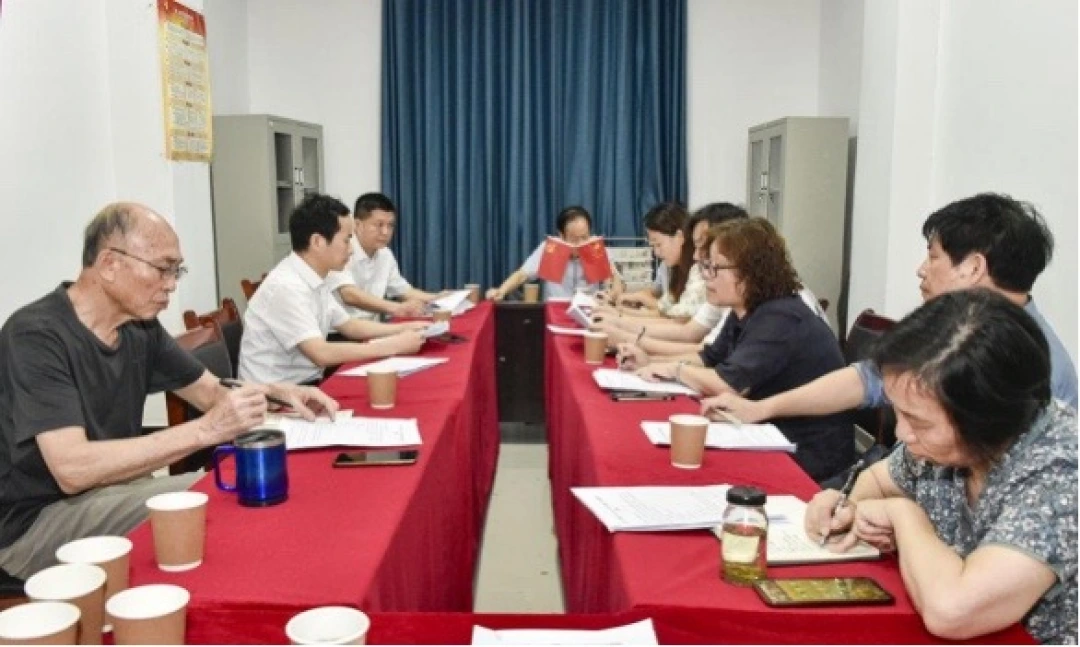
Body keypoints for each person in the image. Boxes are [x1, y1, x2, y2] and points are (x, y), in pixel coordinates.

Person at [0, 202, 338, 580]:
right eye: (163, 268)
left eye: (177, 270)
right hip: (35, 521)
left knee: (242, 485)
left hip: (112, 488)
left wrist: (277, 393)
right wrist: (207, 430)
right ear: (110, 264)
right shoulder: (37, 335)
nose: (172, 284)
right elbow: (72, 469)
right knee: (217, 499)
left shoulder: (139, 327)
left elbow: (210, 393)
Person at [805, 289, 1076, 643]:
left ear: (983, 418)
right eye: (899, 413)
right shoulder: (943, 444)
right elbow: (880, 480)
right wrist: (847, 505)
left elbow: (952, 611)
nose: (902, 434)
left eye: (918, 422)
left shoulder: (1062, 472)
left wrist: (904, 516)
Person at [702, 193, 1078, 424]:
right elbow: (866, 380)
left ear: (972, 267)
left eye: (933, 257)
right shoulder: (949, 326)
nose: (921, 269)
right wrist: (763, 408)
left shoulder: (1036, 367)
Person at [633, 218, 853, 482]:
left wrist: (674, 369)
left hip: (806, 454)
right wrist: (651, 362)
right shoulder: (746, 309)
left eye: (715, 268)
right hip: (768, 433)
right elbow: (708, 358)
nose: (706, 276)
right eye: (706, 266)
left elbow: (728, 384)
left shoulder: (780, 317)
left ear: (750, 272)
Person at [239, 194, 426, 385]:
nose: (351, 250)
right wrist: (392, 346)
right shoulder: (287, 286)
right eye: (346, 240)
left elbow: (349, 326)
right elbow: (320, 353)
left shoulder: (316, 277)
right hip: (273, 395)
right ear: (317, 242)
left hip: (306, 384)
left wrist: (405, 328)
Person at [593, 203, 826, 356]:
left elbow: (722, 369)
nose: (695, 256)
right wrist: (632, 340)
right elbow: (705, 349)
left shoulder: (775, 306)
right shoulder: (731, 290)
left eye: (703, 245)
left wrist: (628, 335)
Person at [326, 192, 444, 320]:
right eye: (379, 225)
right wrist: (397, 308)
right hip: (340, 328)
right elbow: (349, 295)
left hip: (371, 327)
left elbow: (403, 291)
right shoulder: (341, 249)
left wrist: (438, 297)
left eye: (390, 225)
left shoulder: (385, 254)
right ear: (358, 225)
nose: (385, 232)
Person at [593, 202, 703, 322]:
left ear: (679, 237)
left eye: (659, 244)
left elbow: (676, 315)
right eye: (653, 246)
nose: (656, 253)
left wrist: (621, 314)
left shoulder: (698, 269)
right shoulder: (673, 267)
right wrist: (619, 310)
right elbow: (664, 308)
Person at [486, 206, 621, 301]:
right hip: (555, 312)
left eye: (584, 237)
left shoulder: (597, 249)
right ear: (561, 235)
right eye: (574, 239)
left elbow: (616, 284)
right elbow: (522, 275)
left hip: (591, 314)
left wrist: (614, 284)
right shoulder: (549, 249)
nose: (580, 244)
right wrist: (501, 290)